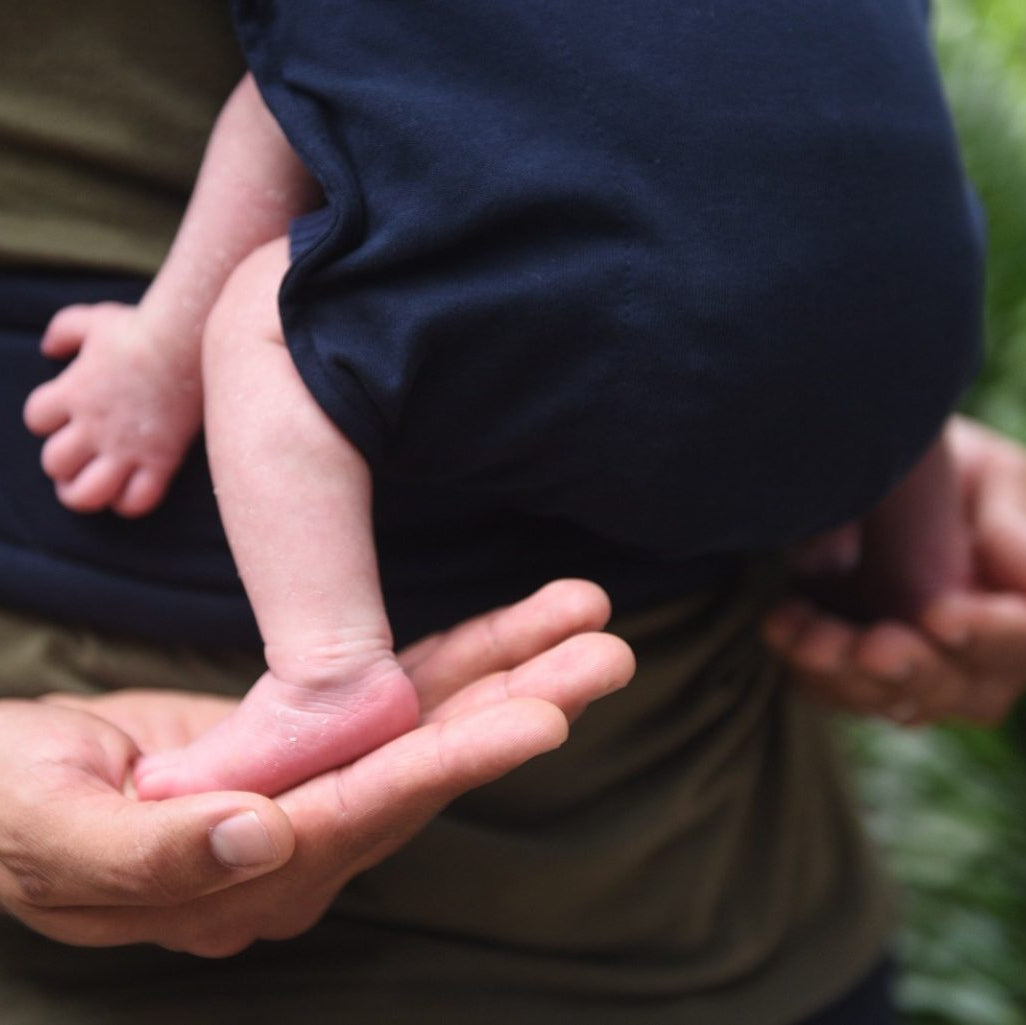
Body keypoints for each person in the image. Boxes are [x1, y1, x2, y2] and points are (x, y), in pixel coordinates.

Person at [2, 3, 1024, 1025]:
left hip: (695, 875)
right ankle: (919, 573)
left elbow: (279, 112)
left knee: (267, 322)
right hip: (874, 317)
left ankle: (330, 671)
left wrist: (157, 351)